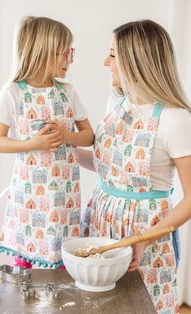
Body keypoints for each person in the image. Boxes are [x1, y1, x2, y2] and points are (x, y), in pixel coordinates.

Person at [80, 19, 191, 313]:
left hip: (146, 236)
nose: (106, 62)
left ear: (135, 60)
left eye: (113, 55)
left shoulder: (175, 119)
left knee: (142, 306)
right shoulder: (116, 104)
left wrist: (141, 241)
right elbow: (109, 170)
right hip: (102, 223)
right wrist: (61, 148)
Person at [0, 16, 94, 269]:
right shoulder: (13, 93)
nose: (70, 59)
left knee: (63, 256)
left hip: (63, 194)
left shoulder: (67, 92)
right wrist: (34, 143)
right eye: (64, 53)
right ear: (43, 52)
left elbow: (89, 136)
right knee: (23, 256)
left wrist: (67, 136)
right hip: (28, 196)